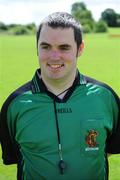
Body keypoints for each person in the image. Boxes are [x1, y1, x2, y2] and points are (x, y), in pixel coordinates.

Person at [0, 12, 120, 180]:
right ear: (37, 47)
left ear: (80, 49)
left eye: (64, 47)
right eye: (46, 46)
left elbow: (109, 149)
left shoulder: (106, 98)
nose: (54, 56)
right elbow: (15, 158)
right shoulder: (15, 105)